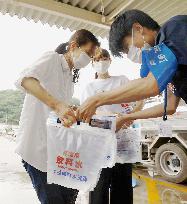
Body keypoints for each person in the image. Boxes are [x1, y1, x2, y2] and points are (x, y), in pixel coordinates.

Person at [14, 29, 99, 204]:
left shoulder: (69, 77)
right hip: (36, 149)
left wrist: (70, 110)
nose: (89, 59)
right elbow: (24, 80)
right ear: (74, 46)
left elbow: (57, 110)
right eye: (89, 52)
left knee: (69, 197)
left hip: (54, 150)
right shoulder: (52, 59)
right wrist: (58, 105)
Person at [76, 10, 187, 131]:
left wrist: (97, 99)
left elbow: (150, 85)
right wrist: (127, 117)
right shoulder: (169, 64)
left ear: (138, 28)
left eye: (127, 47)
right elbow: (169, 106)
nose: (130, 54)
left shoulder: (174, 29)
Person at [80, 48, 143, 204]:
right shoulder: (89, 87)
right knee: (99, 189)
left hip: (123, 142)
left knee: (123, 188)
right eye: (97, 59)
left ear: (110, 60)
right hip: (100, 143)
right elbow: (87, 117)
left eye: (104, 58)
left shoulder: (121, 80)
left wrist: (130, 116)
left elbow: (140, 98)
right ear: (92, 63)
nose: (101, 62)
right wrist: (111, 120)